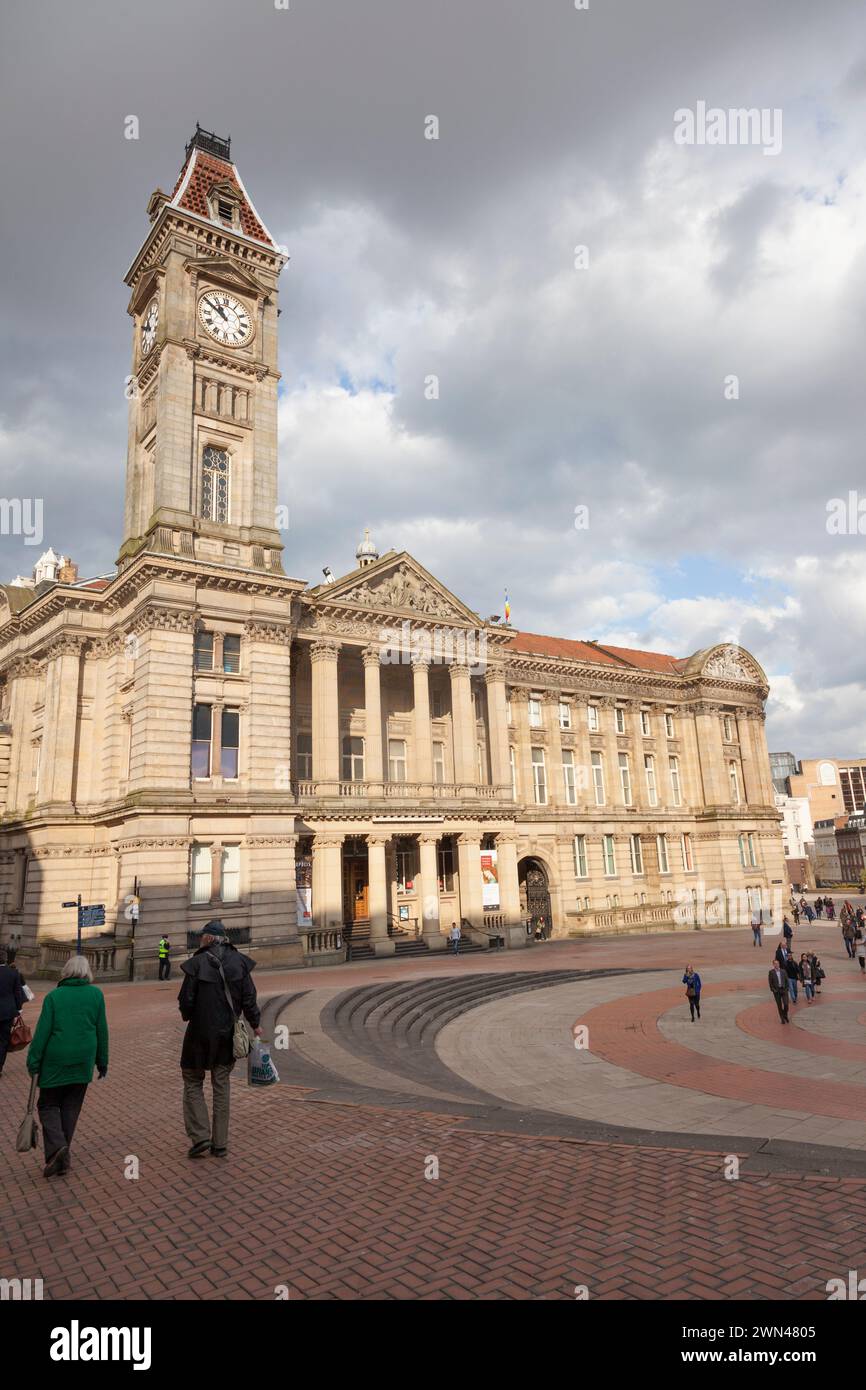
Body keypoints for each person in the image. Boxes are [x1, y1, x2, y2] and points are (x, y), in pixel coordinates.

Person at [178, 920, 261, 1160]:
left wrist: (190, 1014)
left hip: (199, 1033)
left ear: (209, 938)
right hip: (227, 1033)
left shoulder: (197, 963)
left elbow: (186, 1002)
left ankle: (201, 1135)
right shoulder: (239, 961)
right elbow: (249, 998)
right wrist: (255, 1024)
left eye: (202, 936)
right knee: (222, 1084)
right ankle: (220, 1143)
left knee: (192, 1079)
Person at [26, 955, 108, 1178]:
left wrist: (33, 1060)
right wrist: (102, 1061)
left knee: (47, 1105)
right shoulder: (96, 994)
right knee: (71, 1107)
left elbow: (43, 1032)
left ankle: (58, 1149)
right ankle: (61, 1156)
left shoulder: (54, 997)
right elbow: (102, 1030)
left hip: (56, 1059)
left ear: (66, 971)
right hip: (84, 1059)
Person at [0, 945, 27, 1078]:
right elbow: (18, 993)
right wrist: (18, 1010)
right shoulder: (13, 973)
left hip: (7, 1011)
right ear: (5, 960)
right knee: (4, 1040)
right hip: (7, 1012)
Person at [768, 959, 790, 1024]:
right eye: (775, 964)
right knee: (779, 1005)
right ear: (773, 965)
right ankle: (782, 1018)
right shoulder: (771, 972)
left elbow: (786, 980)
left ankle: (785, 1015)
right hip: (777, 991)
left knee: (786, 1004)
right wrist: (773, 990)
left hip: (784, 990)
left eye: (777, 963)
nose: (776, 965)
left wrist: (787, 988)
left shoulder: (783, 971)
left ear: (779, 964)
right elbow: (770, 983)